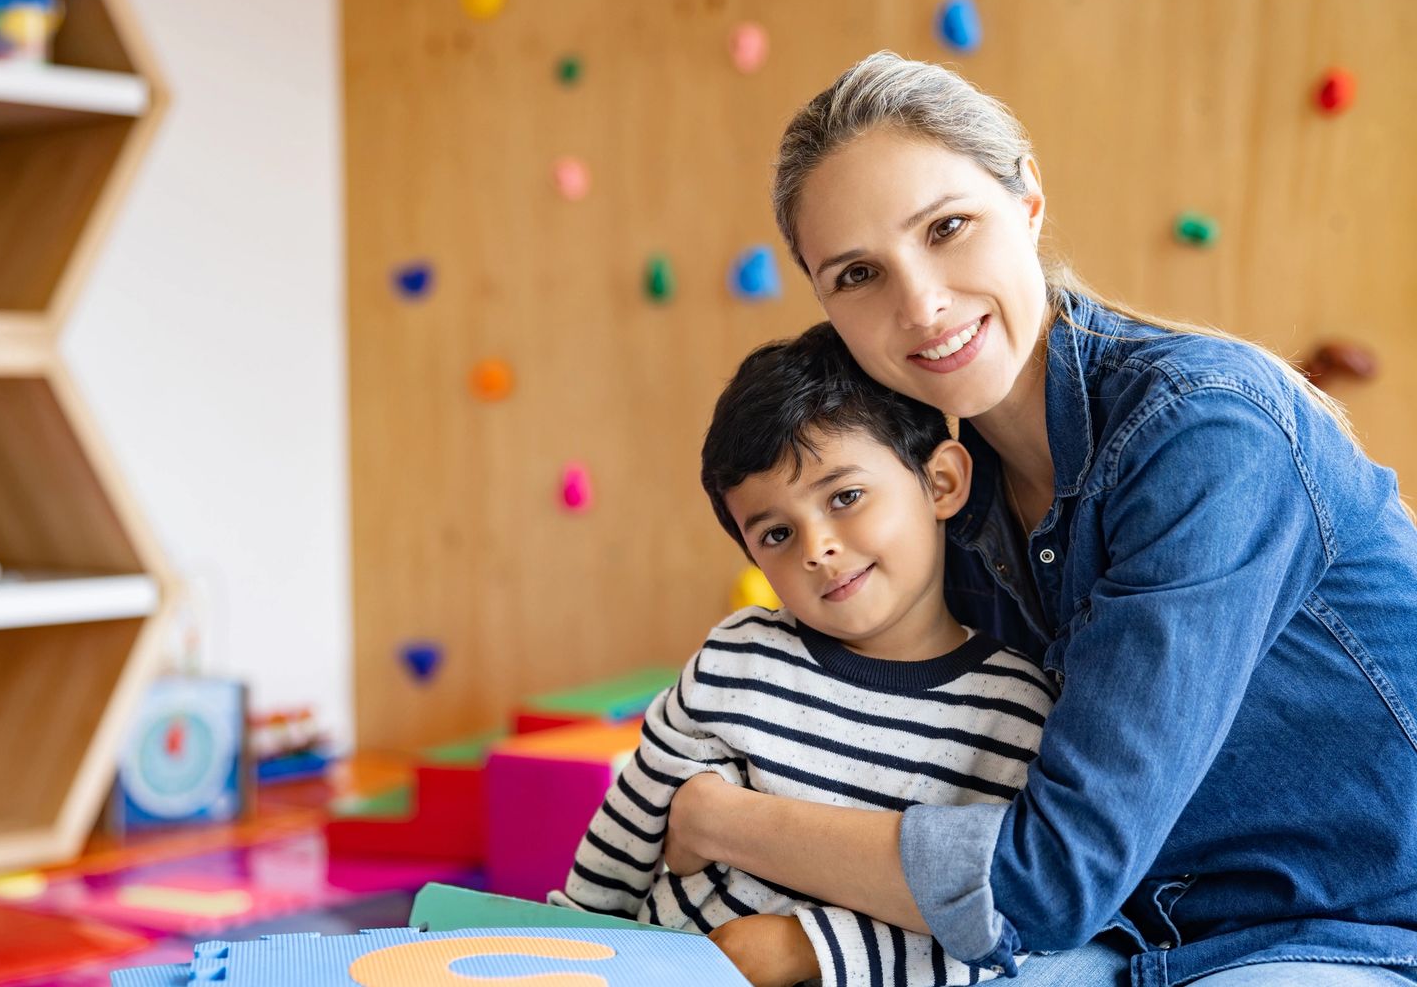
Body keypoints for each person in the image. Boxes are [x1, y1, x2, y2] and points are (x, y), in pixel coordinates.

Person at [660, 51, 1417, 987]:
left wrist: (724, 820)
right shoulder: (946, 496)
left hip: (1351, 926)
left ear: (1028, 203)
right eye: (858, 275)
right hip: (1128, 934)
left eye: (948, 227)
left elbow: (1049, 878)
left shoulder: (1209, 432)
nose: (922, 304)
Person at [552, 321, 1056, 986]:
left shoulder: (1015, 712)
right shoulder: (735, 658)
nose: (815, 548)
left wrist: (803, 947)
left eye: (845, 498)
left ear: (940, 483)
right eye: (777, 533)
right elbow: (624, 836)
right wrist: (558, 945)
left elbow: (999, 933)